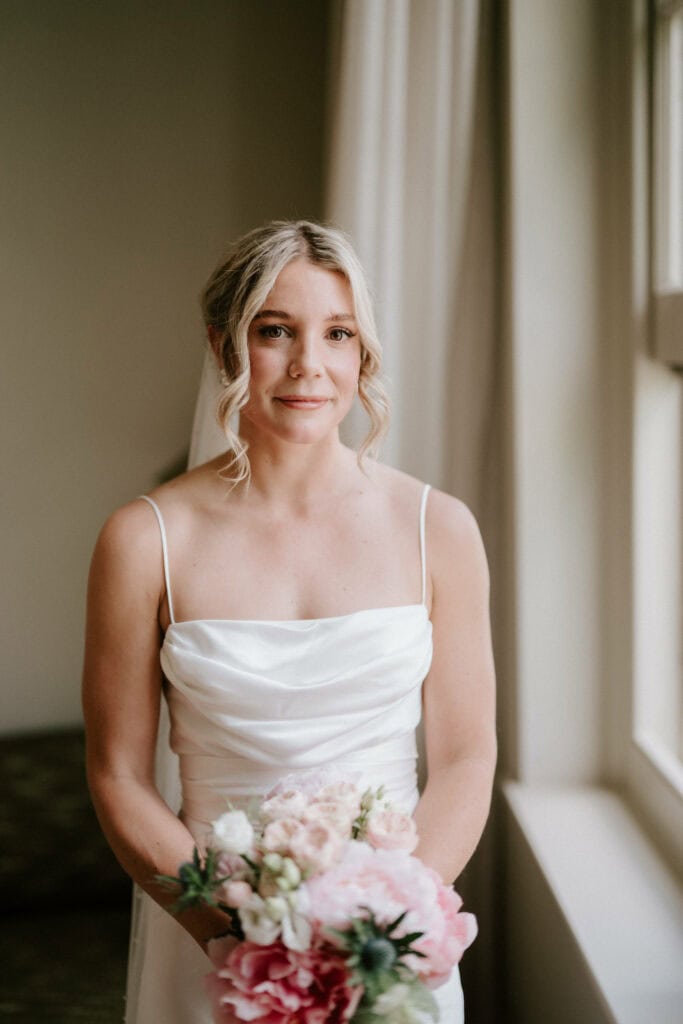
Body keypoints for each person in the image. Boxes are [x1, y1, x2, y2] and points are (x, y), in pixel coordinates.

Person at [82, 220, 497, 1023]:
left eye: (337, 333)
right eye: (275, 331)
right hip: (213, 939)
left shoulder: (437, 527)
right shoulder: (143, 540)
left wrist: (388, 922)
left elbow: (465, 756)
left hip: (389, 947)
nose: (310, 365)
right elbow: (119, 777)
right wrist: (245, 939)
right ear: (223, 345)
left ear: (362, 353)